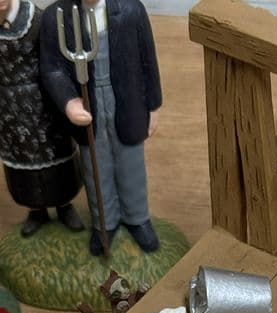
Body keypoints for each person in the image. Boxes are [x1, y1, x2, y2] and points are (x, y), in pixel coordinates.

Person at [40, 0, 162, 256]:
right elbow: (52, 69)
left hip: (127, 102)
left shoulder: (131, 10)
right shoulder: (56, 17)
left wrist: (153, 106)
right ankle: (104, 222)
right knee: (96, 165)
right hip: (89, 105)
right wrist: (69, 101)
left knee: (131, 162)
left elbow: (148, 60)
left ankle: (137, 218)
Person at [0, 0, 83, 236]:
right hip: (8, 111)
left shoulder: (36, 20)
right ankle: (36, 210)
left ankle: (64, 206)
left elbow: (54, 62)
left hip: (43, 105)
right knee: (21, 159)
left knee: (55, 153)